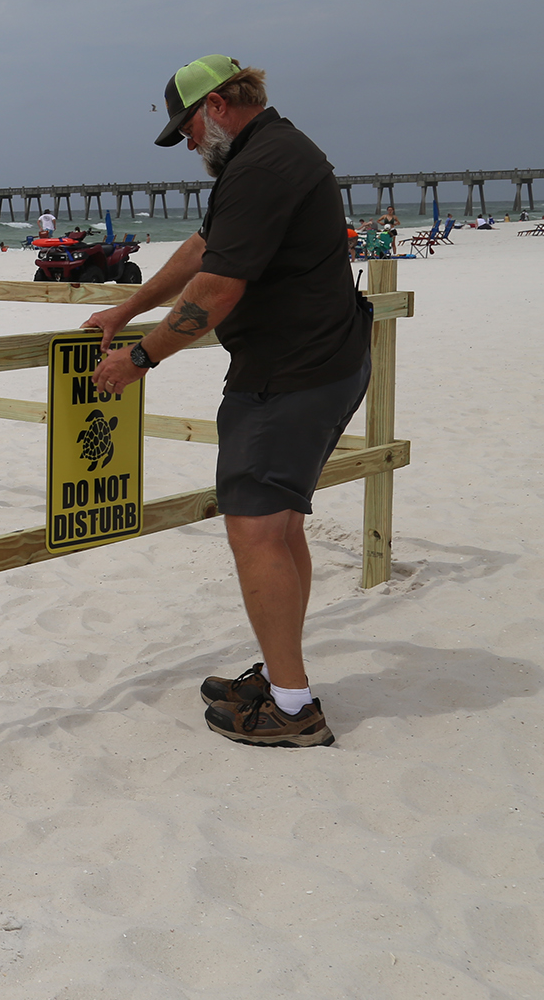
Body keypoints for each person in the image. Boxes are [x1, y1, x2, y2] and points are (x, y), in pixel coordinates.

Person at [82, 54, 371, 749]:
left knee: (256, 530)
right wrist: (128, 304)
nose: (187, 145)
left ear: (216, 106)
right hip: (319, 361)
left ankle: (293, 707)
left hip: (291, 373)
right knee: (281, 525)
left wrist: (140, 358)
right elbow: (203, 249)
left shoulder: (263, 166)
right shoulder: (268, 153)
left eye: (185, 129)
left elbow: (218, 291)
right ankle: (281, 676)